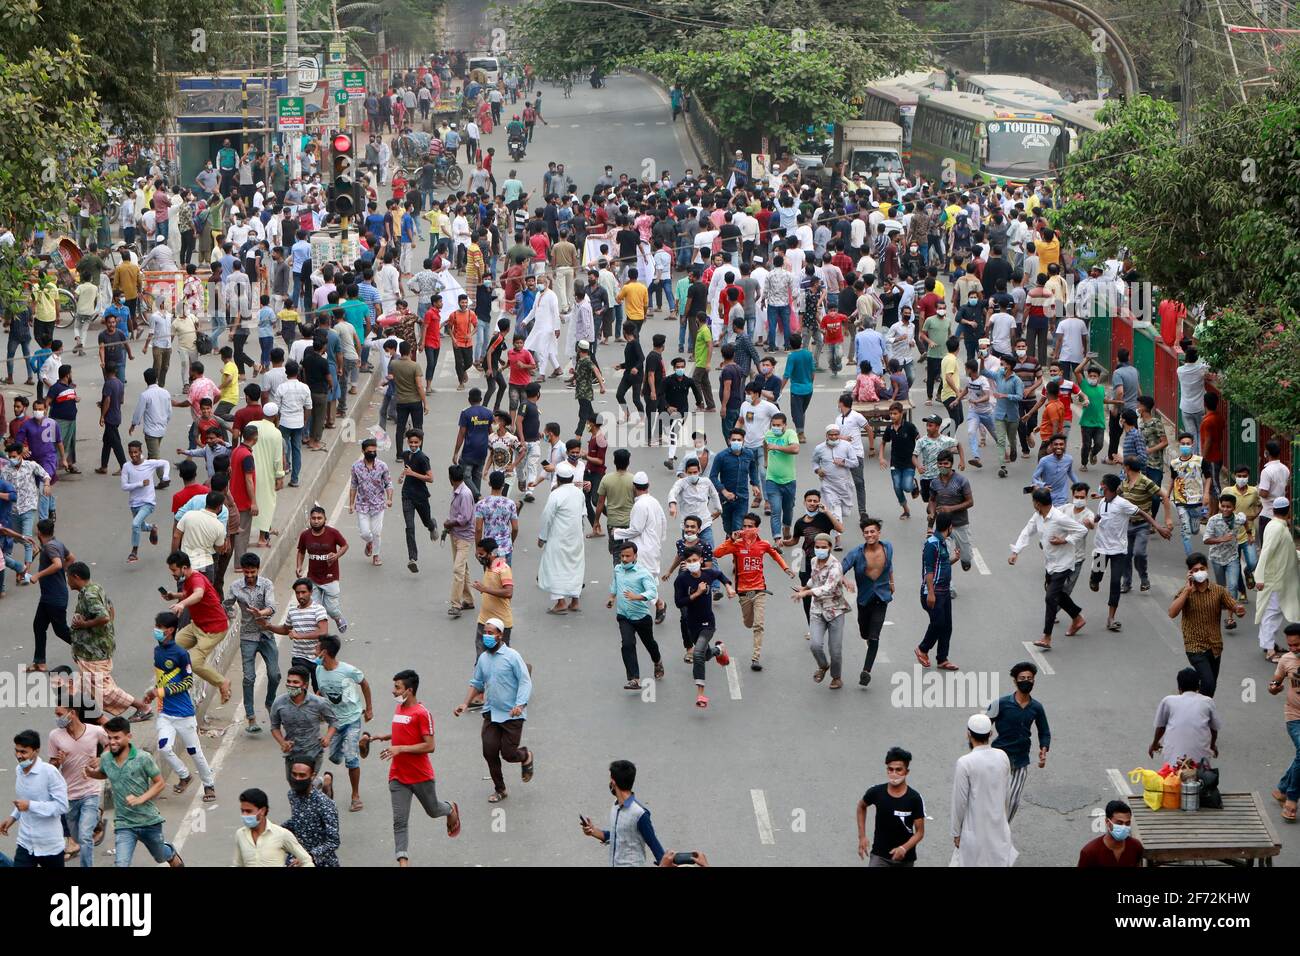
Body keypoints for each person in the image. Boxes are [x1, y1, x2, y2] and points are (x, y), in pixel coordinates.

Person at [365, 669, 462, 864]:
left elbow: (429, 745)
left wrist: (400, 748)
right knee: (399, 822)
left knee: (433, 810)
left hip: (420, 776)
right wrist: (385, 737)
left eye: (397, 687)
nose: (393, 691)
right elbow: (405, 731)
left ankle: (450, 809)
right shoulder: (400, 709)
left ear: (409, 690)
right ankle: (403, 861)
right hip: (398, 776)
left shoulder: (422, 713)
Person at [85, 716, 184, 868]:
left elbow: (160, 783)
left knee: (160, 856)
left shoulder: (143, 758)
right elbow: (105, 774)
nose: (112, 742)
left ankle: (170, 853)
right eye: (109, 737)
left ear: (128, 736)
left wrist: (140, 799)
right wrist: (92, 774)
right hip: (124, 823)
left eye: (117, 737)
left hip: (149, 821)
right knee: (121, 864)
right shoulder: (105, 758)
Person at [453, 625, 534, 803]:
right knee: (489, 752)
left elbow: (525, 682)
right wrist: (465, 703)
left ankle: (525, 756)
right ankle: (500, 789)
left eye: (491, 633)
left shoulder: (512, 656)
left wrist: (520, 704)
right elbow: (477, 682)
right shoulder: (483, 658)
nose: (487, 636)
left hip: (512, 713)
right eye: (485, 633)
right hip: (491, 712)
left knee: (508, 754)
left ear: (500, 635)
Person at [147, 611, 217, 802]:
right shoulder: (157, 651)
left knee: (195, 752)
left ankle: (209, 784)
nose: (157, 631)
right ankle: (184, 775)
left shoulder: (180, 653)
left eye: (160, 628)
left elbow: (187, 682)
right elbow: (161, 680)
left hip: (184, 714)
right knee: (164, 748)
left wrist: (163, 692)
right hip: (165, 713)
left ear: (169, 630)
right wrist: (152, 692)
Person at [1090, 472, 1168, 632]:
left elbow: (1142, 513)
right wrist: (1092, 521)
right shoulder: (1102, 501)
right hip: (1100, 548)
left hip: (1118, 550)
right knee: (1095, 579)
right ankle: (1094, 579)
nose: (1100, 486)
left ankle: (1111, 618)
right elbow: (1100, 515)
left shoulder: (1122, 504)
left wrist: (1158, 527)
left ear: (1107, 487)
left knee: (1114, 583)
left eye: (1102, 484)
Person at [714, 515, 793, 671]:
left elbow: (775, 555)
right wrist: (731, 539)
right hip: (744, 592)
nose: (746, 529)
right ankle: (749, 622)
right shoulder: (736, 545)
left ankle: (755, 658)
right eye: (744, 526)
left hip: (759, 590)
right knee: (748, 623)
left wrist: (786, 568)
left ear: (757, 528)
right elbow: (717, 553)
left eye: (750, 526)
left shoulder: (763, 544)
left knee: (758, 625)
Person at [1170, 553, 1243, 699]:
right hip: (1195, 646)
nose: (1199, 572)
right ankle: (1196, 711)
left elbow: (1234, 606)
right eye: (1195, 570)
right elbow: (1172, 612)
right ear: (1190, 573)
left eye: (1201, 568)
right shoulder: (1185, 592)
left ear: (1207, 569)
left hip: (1214, 646)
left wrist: (1239, 610)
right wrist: (1187, 590)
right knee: (1208, 682)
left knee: (1210, 686)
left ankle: (1199, 710)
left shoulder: (1218, 591)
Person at [315, 634, 373, 813]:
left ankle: (355, 797)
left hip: (352, 719)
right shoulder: (319, 671)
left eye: (316, 649)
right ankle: (364, 741)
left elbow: (364, 683)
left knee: (350, 758)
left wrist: (368, 708)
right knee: (334, 757)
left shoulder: (348, 670)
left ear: (324, 652)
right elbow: (321, 690)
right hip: (335, 723)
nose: (314, 651)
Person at [987, 661, 1050, 823]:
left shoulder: (1037, 707)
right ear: (1015, 681)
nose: (1026, 681)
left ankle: (1001, 832)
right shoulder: (1000, 703)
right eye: (1022, 678)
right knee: (994, 798)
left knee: (1012, 801)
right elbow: (983, 724)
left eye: (1030, 678)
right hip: (998, 758)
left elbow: (1044, 731)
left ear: (1034, 681)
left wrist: (1043, 750)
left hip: (1021, 760)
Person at [951, 712, 1016, 867]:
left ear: (968, 735)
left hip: (974, 831)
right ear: (991, 734)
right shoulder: (1002, 756)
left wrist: (956, 832)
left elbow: (959, 802)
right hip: (999, 829)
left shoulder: (965, 763)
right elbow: (1007, 794)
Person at [578, 759, 672, 866]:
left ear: (613, 782)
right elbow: (618, 836)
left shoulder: (640, 814)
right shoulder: (615, 806)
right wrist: (593, 831)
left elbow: (655, 845)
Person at [49, 697, 108, 867]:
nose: (57, 718)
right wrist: (57, 761)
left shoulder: (95, 731)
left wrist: (101, 758)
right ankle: (97, 821)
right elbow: (51, 767)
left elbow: (112, 744)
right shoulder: (55, 736)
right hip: (68, 796)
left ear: (72, 713)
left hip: (90, 791)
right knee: (76, 837)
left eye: (60, 714)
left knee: (83, 836)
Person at [674, 545, 735, 709]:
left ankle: (701, 693)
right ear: (685, 563)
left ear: (701, 560)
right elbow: (679, 602)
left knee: (698, 653)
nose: (692, 563)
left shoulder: (708, 573)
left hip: (708, 623)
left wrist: (729, 587)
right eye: (689, 561)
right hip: (692, 624)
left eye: (695, 560)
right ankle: (718, 650)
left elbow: (721, 575)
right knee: (705, 654)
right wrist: (697, 593)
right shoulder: (681, 580)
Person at [793, 531, 853, 689]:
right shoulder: (813, 561)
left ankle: (836, 677)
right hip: (817, 610)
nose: (820, 550)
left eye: (823, 547)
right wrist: (805, 587)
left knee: (835, 650)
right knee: (815, 645)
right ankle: (823, 665)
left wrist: (806, 593)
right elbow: (815, 579)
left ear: (830, 547)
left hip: (835, 611)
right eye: (817, 547)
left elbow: (828, 587)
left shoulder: (835, 566)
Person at [229, 551, 280, 735]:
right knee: (249, 677)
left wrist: (262, 613)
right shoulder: (235, 587)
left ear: (258, 569)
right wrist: (230, 614)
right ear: (243, 571)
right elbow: (227, 604)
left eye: (253, 572)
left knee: (275, 675)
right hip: (247, 637)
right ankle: (250, 716)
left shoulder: (266, 584)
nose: (250, 576)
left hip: (266, 634)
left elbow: (272, 606)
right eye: (246, 573)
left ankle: (269, 702)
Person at [2, 729, 68, 867]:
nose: (19, 756)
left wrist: (31, 805)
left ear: (36, 751)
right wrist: (12, 818)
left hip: (50, 846)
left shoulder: (49, 773)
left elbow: (62, 806)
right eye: (17, 751)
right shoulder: (19, 770)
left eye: (24, 752)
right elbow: (23, 801)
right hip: (26, 843)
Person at [607, 542, 664, 690]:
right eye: (623, 556)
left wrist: (637, 597)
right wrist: (612, 598)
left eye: (628, 556)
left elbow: (652, 592)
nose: (625, 559)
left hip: (641, 617)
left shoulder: (643, 573)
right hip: (624, 616)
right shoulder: (618, 569)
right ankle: (634, 679)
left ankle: (657, 661)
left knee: (649, 643)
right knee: (627, 644)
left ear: (635, 556)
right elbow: (615, 583)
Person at [856, 746, 926, 867]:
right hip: (879, 856)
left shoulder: (914, 798)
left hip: (905, 859)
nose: (894, 774)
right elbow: (861, 807)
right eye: (890, 769)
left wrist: (904, 848)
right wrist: (862, 836)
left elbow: (919, 832)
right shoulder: (876, 792)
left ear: (906, 771)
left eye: (898, 770)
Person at [269, 665, 336, 785]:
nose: (291, 685)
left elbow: (334, 722)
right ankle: (323, 782)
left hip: (313, 752)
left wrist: (327, 738)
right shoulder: (279, 703)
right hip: (292, 754)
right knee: (295, 785)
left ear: (305, 685)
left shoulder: (319, 702)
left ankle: (317, 785)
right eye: (289, 681)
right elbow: (274, 727)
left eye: (295, 682)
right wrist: (282, 743)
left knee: (306, 786)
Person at [537, 463, 587, 613]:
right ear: (571, 478)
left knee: (555, 567)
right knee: (575, 567)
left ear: (558, 479)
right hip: (576, 537)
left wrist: (542, 537)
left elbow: (547, 517)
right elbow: (582, 515)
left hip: (558, 538)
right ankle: (575, 601)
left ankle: (560, 603)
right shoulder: (579, 493)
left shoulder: (556, 494)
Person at [1256, 497, 1300, 661]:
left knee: (1271, 613)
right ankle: (1270, 650)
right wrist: (1259, 577)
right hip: (1276, 579)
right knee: (1272, 613)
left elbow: (1286, 550)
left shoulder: (1276, 526)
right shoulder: (1277, 528)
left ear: (1273, 510)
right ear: (1289, 510)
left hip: (1280, 579)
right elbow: (1266, 552)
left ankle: (1268, 644)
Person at [1149, 667, 1220, 767]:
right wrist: (1212, 746)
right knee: (1206, 776)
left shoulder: (1168, 701)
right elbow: (1214, 729)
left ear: (1179, 687)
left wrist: (1154, 744)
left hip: (1174, 763)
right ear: (1198, 686)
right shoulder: (1207, 702)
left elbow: (1161, 727)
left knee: (1168, 778)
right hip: (1200, 764)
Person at [1267, 623, 1300, 823]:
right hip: (1294, 715)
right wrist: (1273, 688)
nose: (1294, 649)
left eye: (1297, 645)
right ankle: (1292, 800)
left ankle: (1281, 789)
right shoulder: (1286, 660)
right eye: (1290, 645)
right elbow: (1275, 683)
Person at [233, 788, 314, 866]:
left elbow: (306, 861)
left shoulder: (281, 834)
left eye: (248, 811)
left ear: (262, 811)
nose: (244, 815)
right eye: (242, 811)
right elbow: (238, 864)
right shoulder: (240, 834)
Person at [283, 759, 341, 866]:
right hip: (297, 853)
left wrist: (308, 857)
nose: (297, 779)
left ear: (312, 775)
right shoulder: (292, 795)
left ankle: (326, 784)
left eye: (302, 775)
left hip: (319, 860)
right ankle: (325, 783)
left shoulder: (325, 804)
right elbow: (298, 819)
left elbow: (333, 842)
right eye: (294, 774)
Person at [120, 440, 170, 562]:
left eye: (136, 452)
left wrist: (165, 476)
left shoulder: (149, 463)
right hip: (134, 503)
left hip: (148, 502)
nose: (133, 455)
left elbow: (165, 463)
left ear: (140, 452)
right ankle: (152, 528)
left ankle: (134, 552)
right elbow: (124, 486)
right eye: (131, 452)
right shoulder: (127, 466)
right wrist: (140, 484)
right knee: (140, 526)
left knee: (135, 524)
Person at [348, 437, 392, 566]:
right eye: (369, 451)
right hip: (362, 505)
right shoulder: (356, 467)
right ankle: (369, 542)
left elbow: (388, 484)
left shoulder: (382, 466)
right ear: (363, 451)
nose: (372, 453)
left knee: (377, 532)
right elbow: (353, 485)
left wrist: (389, 499)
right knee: (365, 533)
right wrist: (351, 503)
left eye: (374, 451)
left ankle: (376, 555)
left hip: (378, 505)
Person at [445, 465, 477, 618]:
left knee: (458, 569)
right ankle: (469, 599)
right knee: (463, 568)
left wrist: (449, 523)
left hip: (463, 536)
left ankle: (455, 604)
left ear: (451, 479)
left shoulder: (464, 494)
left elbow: (464, 519)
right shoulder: (458, 490)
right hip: (456, 534)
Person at [1077, 800, 1144, 867]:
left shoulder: (1135, 846)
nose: (1124, 827)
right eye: (1119, 823)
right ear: (1107, 822)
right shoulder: (1089, 852)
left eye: (1127, 823)